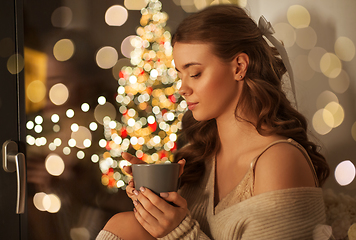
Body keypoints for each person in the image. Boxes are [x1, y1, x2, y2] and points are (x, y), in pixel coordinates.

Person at [96, 4, 330, 240]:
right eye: (179, 74)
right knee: (124, 224)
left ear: (239, 67)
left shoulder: (278, 161)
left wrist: (179, 232)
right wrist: (154, 201)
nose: (183, 88)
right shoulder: (200, 159)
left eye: (195, 73)